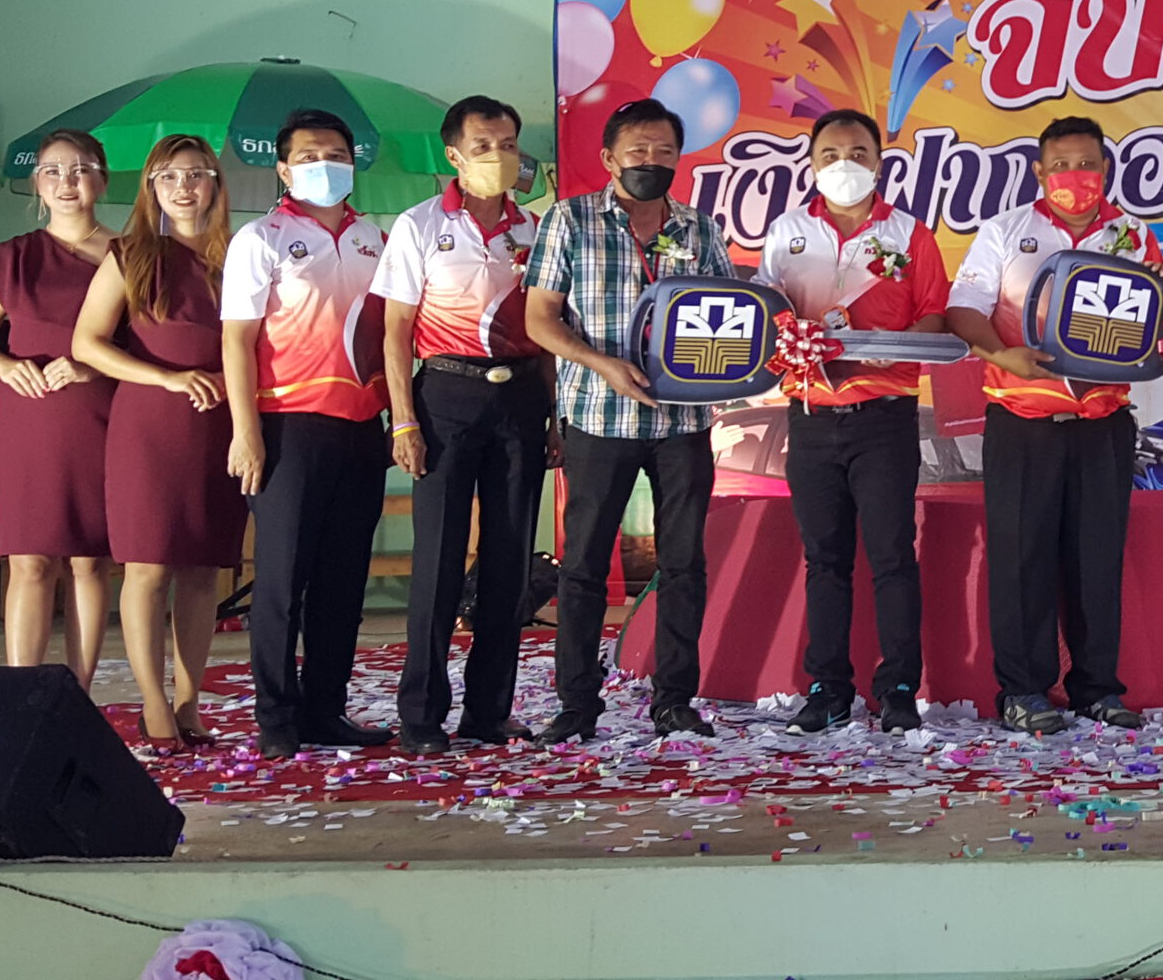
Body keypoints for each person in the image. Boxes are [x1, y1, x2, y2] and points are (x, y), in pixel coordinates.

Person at [524, 97, 734, 742]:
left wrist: (733, 367)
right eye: (638, 150)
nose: (651, 160)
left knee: (684, 565)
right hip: (599, 415)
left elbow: (729, 313)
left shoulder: (698, 229)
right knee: (584, 567)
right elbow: (540, 319)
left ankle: (674, 700)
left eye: (664, 151)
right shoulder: (570, 220)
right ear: (609, 158)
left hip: (682, 424)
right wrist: (602, 364)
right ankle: (577, 705)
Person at [946, 116, 1163, 735]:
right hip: (1022, 420)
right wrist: (1000, 354)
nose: (1076, 176)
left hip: (1103, 423)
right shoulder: (1005, 231)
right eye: (1062, 165)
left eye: (1087, 164)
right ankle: (1023, 691)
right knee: (1021, 560)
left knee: (1096, 561)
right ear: (1040, 172)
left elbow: (1160, 314)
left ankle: (1098, 689)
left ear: (1106, 170)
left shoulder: (1132, 235)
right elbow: (964, 309)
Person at [758, 108, 950, 735]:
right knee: (824, 560)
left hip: (884, 417)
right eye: (831, 155)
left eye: (859, 154)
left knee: (893, 556)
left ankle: (898, 687)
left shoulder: (909, 234)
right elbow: (765, 310)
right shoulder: (787, 232)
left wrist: (891, 346)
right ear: (812, 164)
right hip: (811, 415)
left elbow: (934, 315)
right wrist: (791, 337)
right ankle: (827, 688)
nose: (846, 165)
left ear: (879, 163)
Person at [373, 97, 546, 755]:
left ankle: (488, 712)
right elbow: (395, 331)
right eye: (482, 146)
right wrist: (403, 422)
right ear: (454, 155)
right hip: (445, 396)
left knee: (510, 561)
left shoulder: (535, 229)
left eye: (508, 144)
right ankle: (421, 716)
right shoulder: (419, 225)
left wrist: (553, 414)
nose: (498, 156)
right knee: (439, 561)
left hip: (521, 398)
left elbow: (546, 329)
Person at [222, 109, 393, 759]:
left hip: (361, 427)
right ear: (284, 169)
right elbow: (236, 341)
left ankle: (326, 709)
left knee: (343, 581)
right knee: (281, 581)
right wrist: (246, 432)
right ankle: (276, 717)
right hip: (287, 427)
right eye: (309, 155)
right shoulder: (259, 239)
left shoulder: (375, 238)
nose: (326, 164)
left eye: (337, 154)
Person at [73, 135, 239, 746]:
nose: (183, 188)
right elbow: (87, 343)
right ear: (151, 189)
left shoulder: (241, 255)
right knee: (146, 567)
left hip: (221, 421)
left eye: (196, 175)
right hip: (149, 423)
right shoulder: (130, 255)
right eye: (169, 177)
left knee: (202, 570)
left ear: (215, 184)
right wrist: (166, 377)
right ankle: (153, 702)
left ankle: (190, 703)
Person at [0, 130, 115, 685]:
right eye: (53, 171)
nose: (67, 182)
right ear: (37, 185)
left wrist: (93, 366)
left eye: (81, 169)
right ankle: (21, 692)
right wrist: (4, 365)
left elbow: (147, 343)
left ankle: (79, 692)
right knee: (28, 560)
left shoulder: (131, 255)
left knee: (91, 561)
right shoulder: (8, 258)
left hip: (103, 416)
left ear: (102, 179)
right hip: (26, 417)